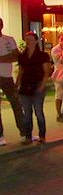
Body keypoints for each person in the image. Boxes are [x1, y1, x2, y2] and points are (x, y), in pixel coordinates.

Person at [17, 31, 51, 144]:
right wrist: (17, 85)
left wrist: (42, 85)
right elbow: (21, 71)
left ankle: (42, 135)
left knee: (38, 112)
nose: (28, 41)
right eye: (26, 39)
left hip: (37, 85)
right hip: (25, 87)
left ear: (36, 40)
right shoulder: (22, 55)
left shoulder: (42, 55)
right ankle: (28, 136)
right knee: (27, 114)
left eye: (30, 39)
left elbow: (47, 71)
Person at [0, 17, 25, 146]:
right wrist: (6, 58)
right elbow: (10, 57)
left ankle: (24, 131)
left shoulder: (8, 40)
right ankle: (0, 135)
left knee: (16, 103)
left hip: (6, 77)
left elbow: (16, 56)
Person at [50, 33, 63, 122]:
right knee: (59, 94)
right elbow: (57, 59)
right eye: (61, 39)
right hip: (59, 75)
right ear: (58, 39)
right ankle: (58, 113)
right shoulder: (55, 49)